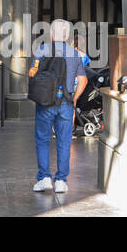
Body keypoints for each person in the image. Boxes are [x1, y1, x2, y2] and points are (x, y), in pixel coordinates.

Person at [28, 18, 88, 194]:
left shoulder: (42, 49)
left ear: (51, 34)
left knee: (42, 140)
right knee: (64, 142)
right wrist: (74, 99)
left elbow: (33, 73)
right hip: (66, 103)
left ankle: (44, 178)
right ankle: (61, 180)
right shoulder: (75, 54)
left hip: (45, 103)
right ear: (68, 35)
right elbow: (82, 80)